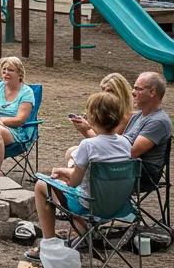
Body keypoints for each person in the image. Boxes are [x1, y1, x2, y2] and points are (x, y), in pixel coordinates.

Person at [27, 91, 131, 259]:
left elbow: (74, 182)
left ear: (93, 117)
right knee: (66, 186)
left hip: (90, 205)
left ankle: (48, 245)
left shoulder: (88, 145)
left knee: (41, 185)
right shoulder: (125, 142)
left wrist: (61, 172)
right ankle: (85, 232)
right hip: (119, 205)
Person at [71, 70, 172, 188]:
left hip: (139, 174)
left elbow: (131, 152)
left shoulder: (158, 121)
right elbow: (118, 144)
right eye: (134, 88)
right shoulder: (139, 116)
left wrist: (87, 130)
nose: (133, 92)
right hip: (126, 167)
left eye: (138, 89)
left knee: (76, 166)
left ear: (152, 92)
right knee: (78, 159)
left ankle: (81, 192)